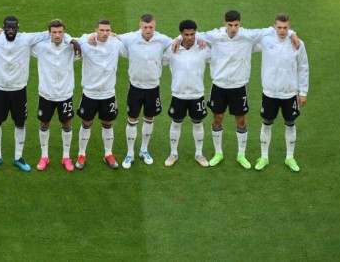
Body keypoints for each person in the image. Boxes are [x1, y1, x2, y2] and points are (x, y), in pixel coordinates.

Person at [172, 10, 300, 169]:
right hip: (219, 85)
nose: (233, 28)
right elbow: (193, 35)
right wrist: (177, 39)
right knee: (217, 118)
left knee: (240, 120)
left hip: (239, 86)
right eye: (230, 25)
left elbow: (273, 29)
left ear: (240, 23)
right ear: (225, 24)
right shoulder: (215, 35)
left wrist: (293, 34)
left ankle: (241, 155)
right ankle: (218, 153)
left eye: (236, 25)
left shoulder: (248, 35)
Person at [0, 16, 78, 172]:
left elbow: (51, 34)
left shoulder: (26, 39)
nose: (11, 31)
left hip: (19, 90)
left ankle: (18, 157)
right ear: (3, 27)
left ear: (18, 27)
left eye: (13, 28)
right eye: (8, 28)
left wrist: (72, 39)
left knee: (20, 123)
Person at [115, 14, 173, 169]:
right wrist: (94, 36)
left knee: (149, 117)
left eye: (151, 27)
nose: (148, 30)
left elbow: (177, 43)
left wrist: (162, 61)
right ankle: (130, 153)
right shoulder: (130, 38)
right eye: (145, 27)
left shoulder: (162, 39)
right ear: (140, 25)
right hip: (135, 87)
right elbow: (112, 37)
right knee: (132, 118)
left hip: (153, 87)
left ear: (155, 26)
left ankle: (144, 150)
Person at [255, 13, 309, 172]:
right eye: (279, 27)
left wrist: (303, 91)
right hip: (270, 93)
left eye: (286, 28)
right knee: (266, 124)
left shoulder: (298, 45)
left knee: (291, 125)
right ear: (274, 27)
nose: (282, 31)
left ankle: (290, 157)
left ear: (289, 27)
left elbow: (303, 68)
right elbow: (247, 41)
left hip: (289, 94)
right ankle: (264, 157)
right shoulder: (265, 41)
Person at [75, 19, 128, 170]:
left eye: (107, 30)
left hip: (108, 93)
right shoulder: (86, 42)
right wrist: (89, 36)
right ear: (96, 30)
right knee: (86, 123)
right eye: (101, 30)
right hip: (90, 93)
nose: (105, 33)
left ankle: (108, 154)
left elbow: (134, 39)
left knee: (108, 123)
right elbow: (71, 40)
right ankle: (81, 154)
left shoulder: (116, 43)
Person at [31, 19, 79, 172]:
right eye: (54, 32)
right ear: (49, 33)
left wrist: (71, 39)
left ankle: (66, 156)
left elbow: (91, 37)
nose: (57, 35)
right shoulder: (40, 47)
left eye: (60, 32)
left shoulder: (71, 47)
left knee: (67, 124)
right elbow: (23, 40)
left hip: (65, 94)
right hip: (46, 94)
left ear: (64, 32)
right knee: (44, 124)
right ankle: (44, 156)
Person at [162, 20, 211, 167]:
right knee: (176, 123)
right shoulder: (172, 49)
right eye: (186, 34)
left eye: (192, 34)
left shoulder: (203, 48)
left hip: (197, 94)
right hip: (178, 94)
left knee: (198, 124)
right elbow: (159, 61)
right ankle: (173, 153)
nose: (190, 37)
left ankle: (199, 154)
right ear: (181, 34)